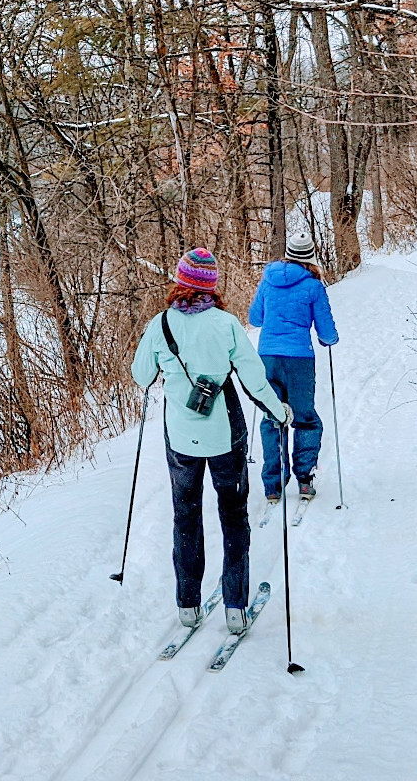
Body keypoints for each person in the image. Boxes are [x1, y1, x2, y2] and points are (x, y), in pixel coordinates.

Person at [133, 248, 291, 635]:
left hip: (181, 439)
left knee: (185, 515)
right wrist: (279, 412)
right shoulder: (227, 324)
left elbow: (140, 375)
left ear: (180, 281)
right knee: (233, 516)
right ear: (212, 287)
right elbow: (254, 380)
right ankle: (235, 607)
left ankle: (187, 605)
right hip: (224, 437)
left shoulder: (161, 325)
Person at [247, 232, 340, 504]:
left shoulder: (268, 281)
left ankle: (273, 486)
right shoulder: (313, 286)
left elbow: (255, 318)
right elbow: (327, 332)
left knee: (273, 417)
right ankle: (304, 478)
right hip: (299, 359)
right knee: (305, 418)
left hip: (268, 358)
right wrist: (329, 340)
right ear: (311, 255)